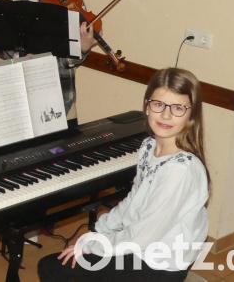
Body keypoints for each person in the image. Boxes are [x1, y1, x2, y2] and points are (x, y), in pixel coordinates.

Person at [38, 67, 210, 281]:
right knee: (63, 262)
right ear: (147, 107)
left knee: (53, 268)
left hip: (158, 264)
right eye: (158, 105)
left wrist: (93, 246)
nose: (166, 115)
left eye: (178, 108)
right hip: (142, 248)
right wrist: (97, 232)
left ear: (191, 114)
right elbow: (133, 202)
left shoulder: (180, 171)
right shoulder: (149, 146)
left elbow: (142, 237)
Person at [12, 0, 96, 123]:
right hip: (23, 87)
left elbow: (70, 62)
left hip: (59, 88)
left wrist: (82, 49)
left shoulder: (73, 3)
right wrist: (21, 55)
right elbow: (6, 44)